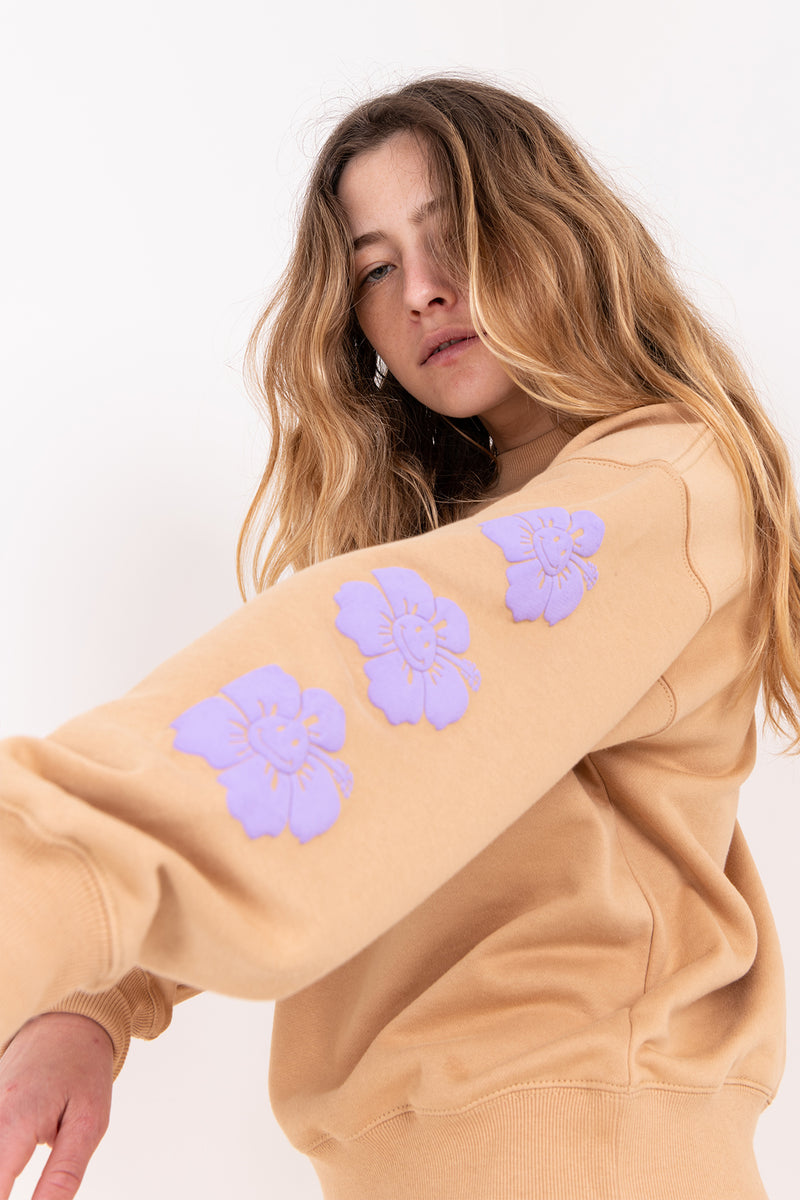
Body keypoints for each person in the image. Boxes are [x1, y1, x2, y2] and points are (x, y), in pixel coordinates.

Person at [0, 75, 797, 1200]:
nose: (421, 291)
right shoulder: (471, 534)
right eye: (374, 269)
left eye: (455, 235)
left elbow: (352, 682)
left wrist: (39, 881)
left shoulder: (661, 487)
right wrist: (95, 1000)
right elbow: (335, 786)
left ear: (557, 232)